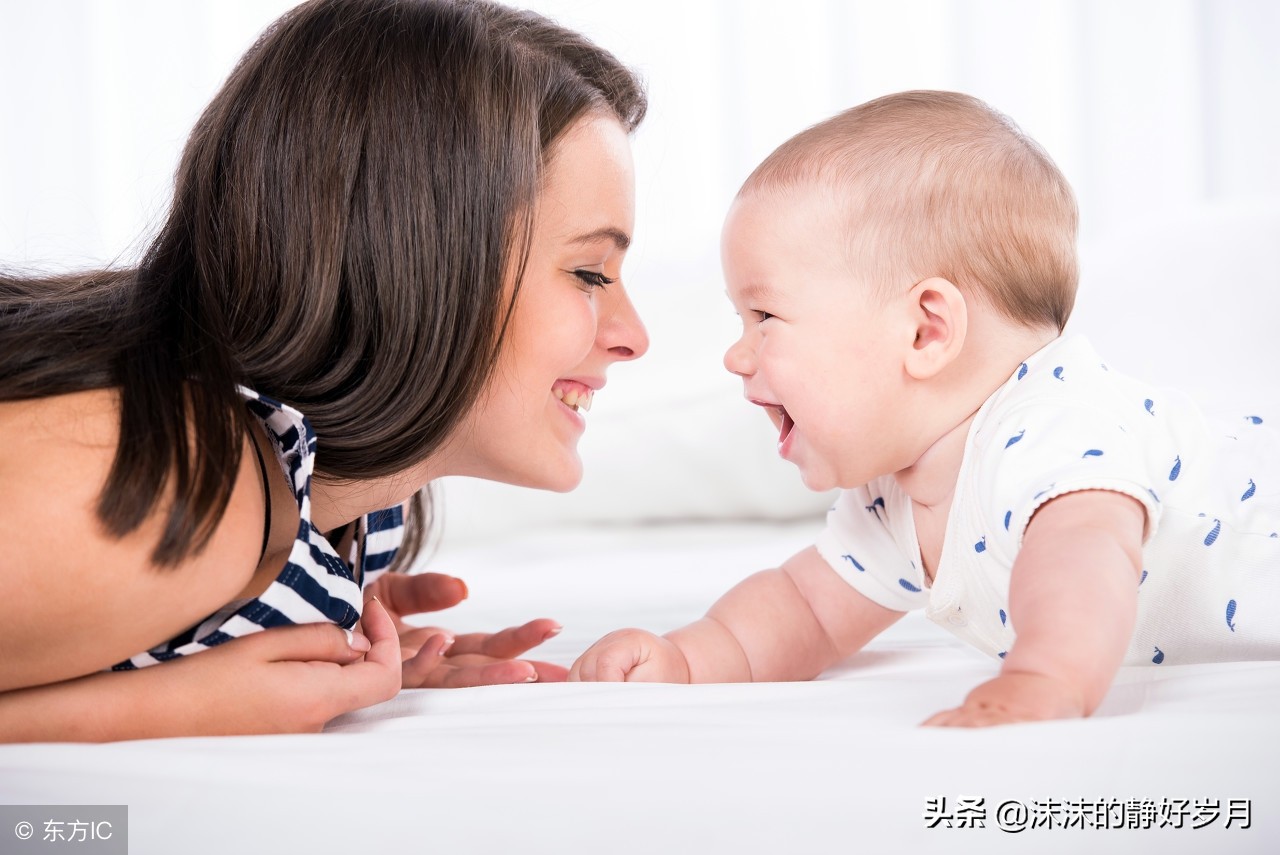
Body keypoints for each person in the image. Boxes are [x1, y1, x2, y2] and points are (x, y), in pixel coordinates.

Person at [0, 0, 649, 741]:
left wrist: (326, 631)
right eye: (591, 273)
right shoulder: (188, 477)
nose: (635, 337)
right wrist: (176, 706)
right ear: (417, 265)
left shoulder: (348, 507)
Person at [569, 90, 1280, 726]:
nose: (736, 355)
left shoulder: (1051, 429)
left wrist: (1045, 676)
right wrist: (689, 658)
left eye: (763, 315)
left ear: (925, 331)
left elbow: (1082, 562)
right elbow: (807, 608)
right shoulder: (898, 497)